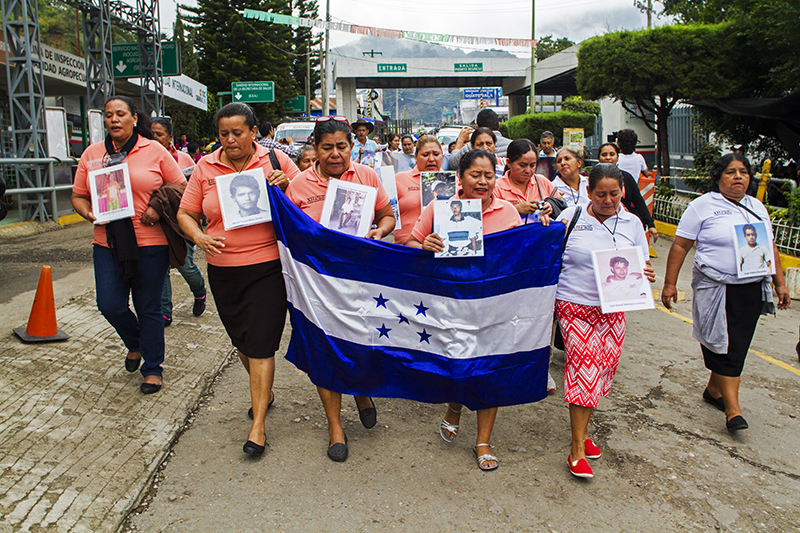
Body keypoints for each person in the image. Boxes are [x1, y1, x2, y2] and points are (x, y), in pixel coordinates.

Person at [177, 102, 301, 457]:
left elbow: (304, 203)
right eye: (223, 134)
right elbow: (186, 212)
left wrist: (287, 183)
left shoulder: (276, 162)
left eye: (237, 133)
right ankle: (265, 391)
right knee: (243, 341)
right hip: (223, 269)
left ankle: (258, 425)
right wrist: (198, 237)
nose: (230, 140)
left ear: (253, 133)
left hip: (268, 267)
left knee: (261, 343)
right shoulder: (205, 166)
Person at [285, 115, 395, 463]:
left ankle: (361, 390)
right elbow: (289, 233)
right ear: (314, 149)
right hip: (317, 285)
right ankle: (335, 425)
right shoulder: (299, 186)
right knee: (323, 351)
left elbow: (386, 215)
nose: (335, 154)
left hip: (360, 281)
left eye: (342, 147)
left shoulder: (367, 175)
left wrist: (380, 231)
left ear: (352, 147)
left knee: (361, 344)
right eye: (327, 147)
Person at [407, 149, 523, 471]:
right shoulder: (438, 208)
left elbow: (521, 256)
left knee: (491, 369)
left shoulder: (509, 212)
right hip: (452, 302)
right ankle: (455, 406)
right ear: (460, 178)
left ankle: (483, 440)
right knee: (459, 363)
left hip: (494, 304)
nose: (483, 181)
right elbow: (411, 245)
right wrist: (425, 245)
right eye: (476, 175)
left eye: (489, 175)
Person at [661, 154, 790, 432]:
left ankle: (714, 390)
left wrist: (780, 283)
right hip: (715, 287)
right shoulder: (702, 206)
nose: (738, 177)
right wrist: (670, 284)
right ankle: (733, 411)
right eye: (731, 172)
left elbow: (771, 248)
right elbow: (681, 245)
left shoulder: (756, 207)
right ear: (718, 177)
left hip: (751, 287)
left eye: (743, 172)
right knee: (723, 343)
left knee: (737, 344)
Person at [71, 96, 186, 394]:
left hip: (151, 243)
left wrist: (158, 207)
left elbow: (180, 187)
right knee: (109, 304)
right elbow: (79, 195)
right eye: (108, 115)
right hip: (107, 243)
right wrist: (88, 213)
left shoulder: (154, 150)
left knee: (148, 306)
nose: (113, 120)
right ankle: (135, 342)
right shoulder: (93, 154)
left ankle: (152, 368)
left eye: (120, 114)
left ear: (135, 118)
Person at [555, 163, 655, 478]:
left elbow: (643, 261)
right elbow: (547, 254)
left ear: (623, 192)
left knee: (602, 369)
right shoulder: (571, 217)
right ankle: (576, 450)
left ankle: (584, 433)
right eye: (601, 195)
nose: (608, 200)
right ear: (588, 192)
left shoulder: (632, 222)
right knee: (584, 368)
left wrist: (647, 273)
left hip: (613, 307)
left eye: (614, 194)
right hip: (574, 304)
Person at [149, 117, 207, 326]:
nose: (155, 138)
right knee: (161, 268)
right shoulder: (145, 158)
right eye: (151, 133)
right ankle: (165, 311)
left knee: (184, 264)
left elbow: (196, 187)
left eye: (160, 134)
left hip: (180, 221)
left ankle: (199, 290)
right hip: (156, 223)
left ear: (170, 137)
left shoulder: (184, 159)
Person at [598, 142, 659, 243]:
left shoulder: (627, 177)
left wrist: (650, 224)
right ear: (599, 158)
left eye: (612, 154)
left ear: (618, 157)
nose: (608, 158)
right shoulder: (590, 179)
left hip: (624, 225)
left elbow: (638, 201)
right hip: (600, 226)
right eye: (604, 155)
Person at [494, 138, 565, 222]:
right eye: (522, 165)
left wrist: (551, 206)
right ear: (508, 162)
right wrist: (516, 209)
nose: (528, 170)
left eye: (532, 165)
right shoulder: (496, 187)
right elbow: (489, 218)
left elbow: (562, 205)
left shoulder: (542, 181)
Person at [393, 135, 444, 245]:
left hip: (441, 250)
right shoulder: (399, 179)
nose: (431, 159)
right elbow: (385, 214)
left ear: (442, 155)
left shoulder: (454, 182)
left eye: (436, 154)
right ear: (415, 156)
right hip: (406, 251)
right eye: (425, 155)